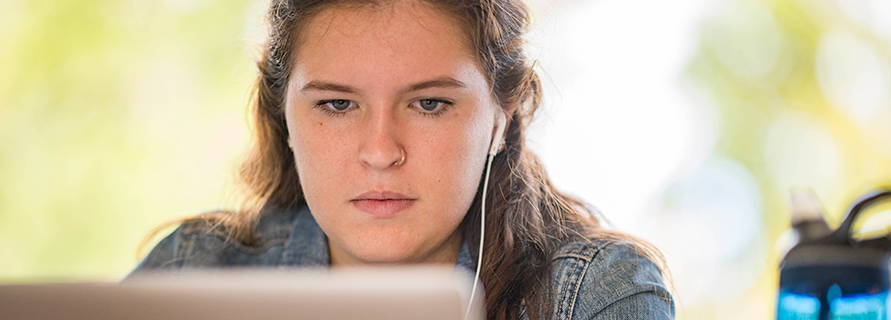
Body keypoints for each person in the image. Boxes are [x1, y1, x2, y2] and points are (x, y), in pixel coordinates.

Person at [131, 0, 675, 319]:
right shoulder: (192, 274)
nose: (380, 151)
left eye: (430, 103)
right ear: (286, 115)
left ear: (500, 118)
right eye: (338, 104)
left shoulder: (592, 297)